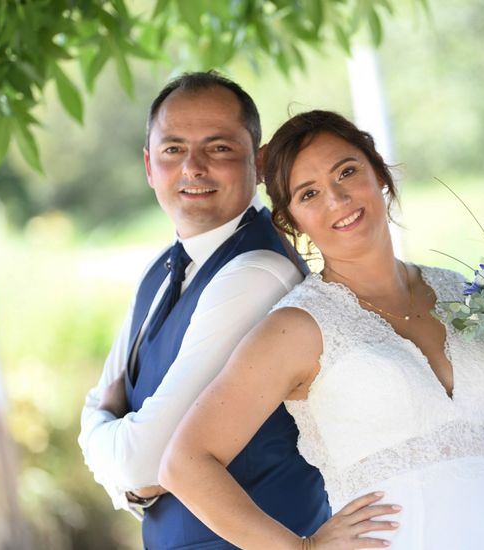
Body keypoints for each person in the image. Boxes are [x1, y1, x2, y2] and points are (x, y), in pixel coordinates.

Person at [159, 110, 484, 549]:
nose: (336, 199)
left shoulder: (462, 295)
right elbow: (185, 463)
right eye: (309, 194)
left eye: (347, 172)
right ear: (293, 220)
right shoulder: (297, 328)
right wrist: (302, 549)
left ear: (380, 175)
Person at [78, 73, 334, 549]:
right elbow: (107, 411)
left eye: (218, 148)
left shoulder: (258, 272)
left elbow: (144, 457)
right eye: (173, 149)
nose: (192, 167)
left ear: (257, 163)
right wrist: (126, 463)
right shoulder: (159, 270)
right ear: (149, 165)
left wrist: (103, 438)